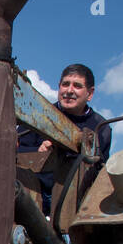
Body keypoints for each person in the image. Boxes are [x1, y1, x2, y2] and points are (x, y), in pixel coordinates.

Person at [16, 63, 112, 214]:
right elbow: (17, 151)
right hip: (36, 196)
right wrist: (39, 152)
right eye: (65, 84)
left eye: (77, 86)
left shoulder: (101, 128)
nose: (69, 90)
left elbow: (100, 170)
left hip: (77, 203)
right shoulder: (38, 115)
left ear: (90, 93)